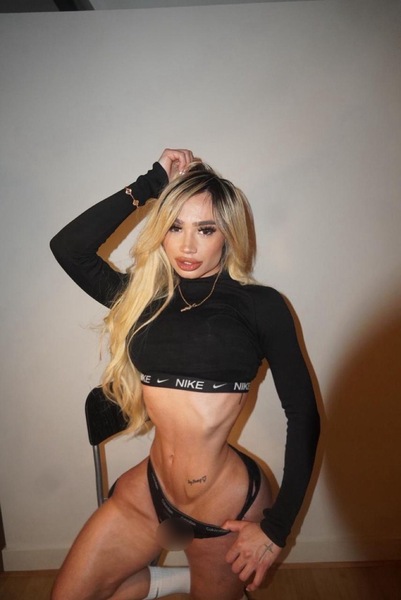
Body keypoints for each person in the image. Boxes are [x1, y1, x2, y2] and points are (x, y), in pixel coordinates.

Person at [50, 148, 320, 600]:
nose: (187, 246)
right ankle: (172, 582)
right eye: (175, 227)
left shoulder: (260, 306)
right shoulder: (144, 300)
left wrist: (276, 530)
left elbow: (304, 415)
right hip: (151, 489)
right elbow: (68, 248)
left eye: (205, 229)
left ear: (228, 234)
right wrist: (151, 182)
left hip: (226, 508)